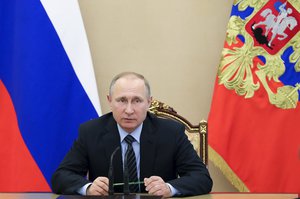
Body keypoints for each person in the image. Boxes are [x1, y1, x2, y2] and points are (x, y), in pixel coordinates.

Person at [51, 72, 213, 197]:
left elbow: (201, 178)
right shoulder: (91, 131)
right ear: (110, 100)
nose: (129, 110)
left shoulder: (171, 132)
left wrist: (169, 189)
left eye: (137, 100)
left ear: (149, 102)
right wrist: (88, 188)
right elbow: (61, 177)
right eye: (122, 100)